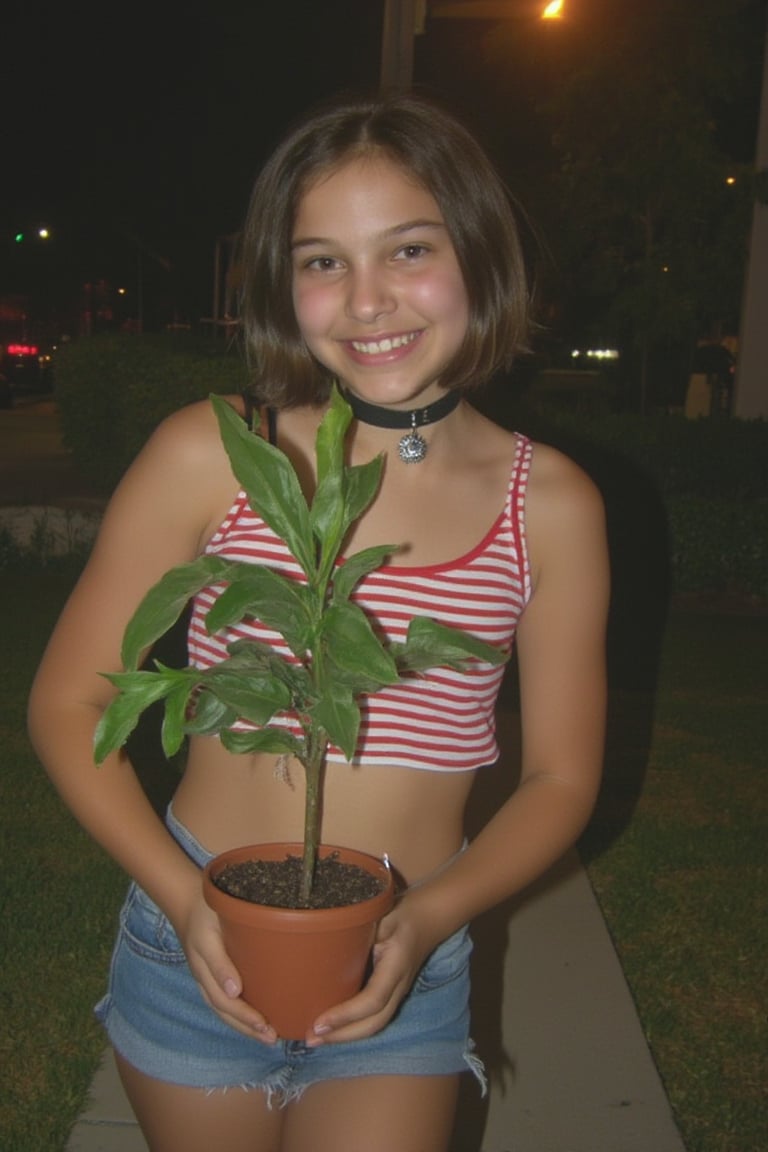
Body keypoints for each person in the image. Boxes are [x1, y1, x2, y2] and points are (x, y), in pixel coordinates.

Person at [28, 91, 609, 1152]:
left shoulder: (551, 505)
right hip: (193, 943)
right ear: (280, 284)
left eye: (410, 249)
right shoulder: (214, 454)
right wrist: (182, 897)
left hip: (407, 961)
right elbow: (70, 702)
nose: (367, 299)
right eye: (322, 261)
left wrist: (432, 916)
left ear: (480, 253)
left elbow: (563, 778)